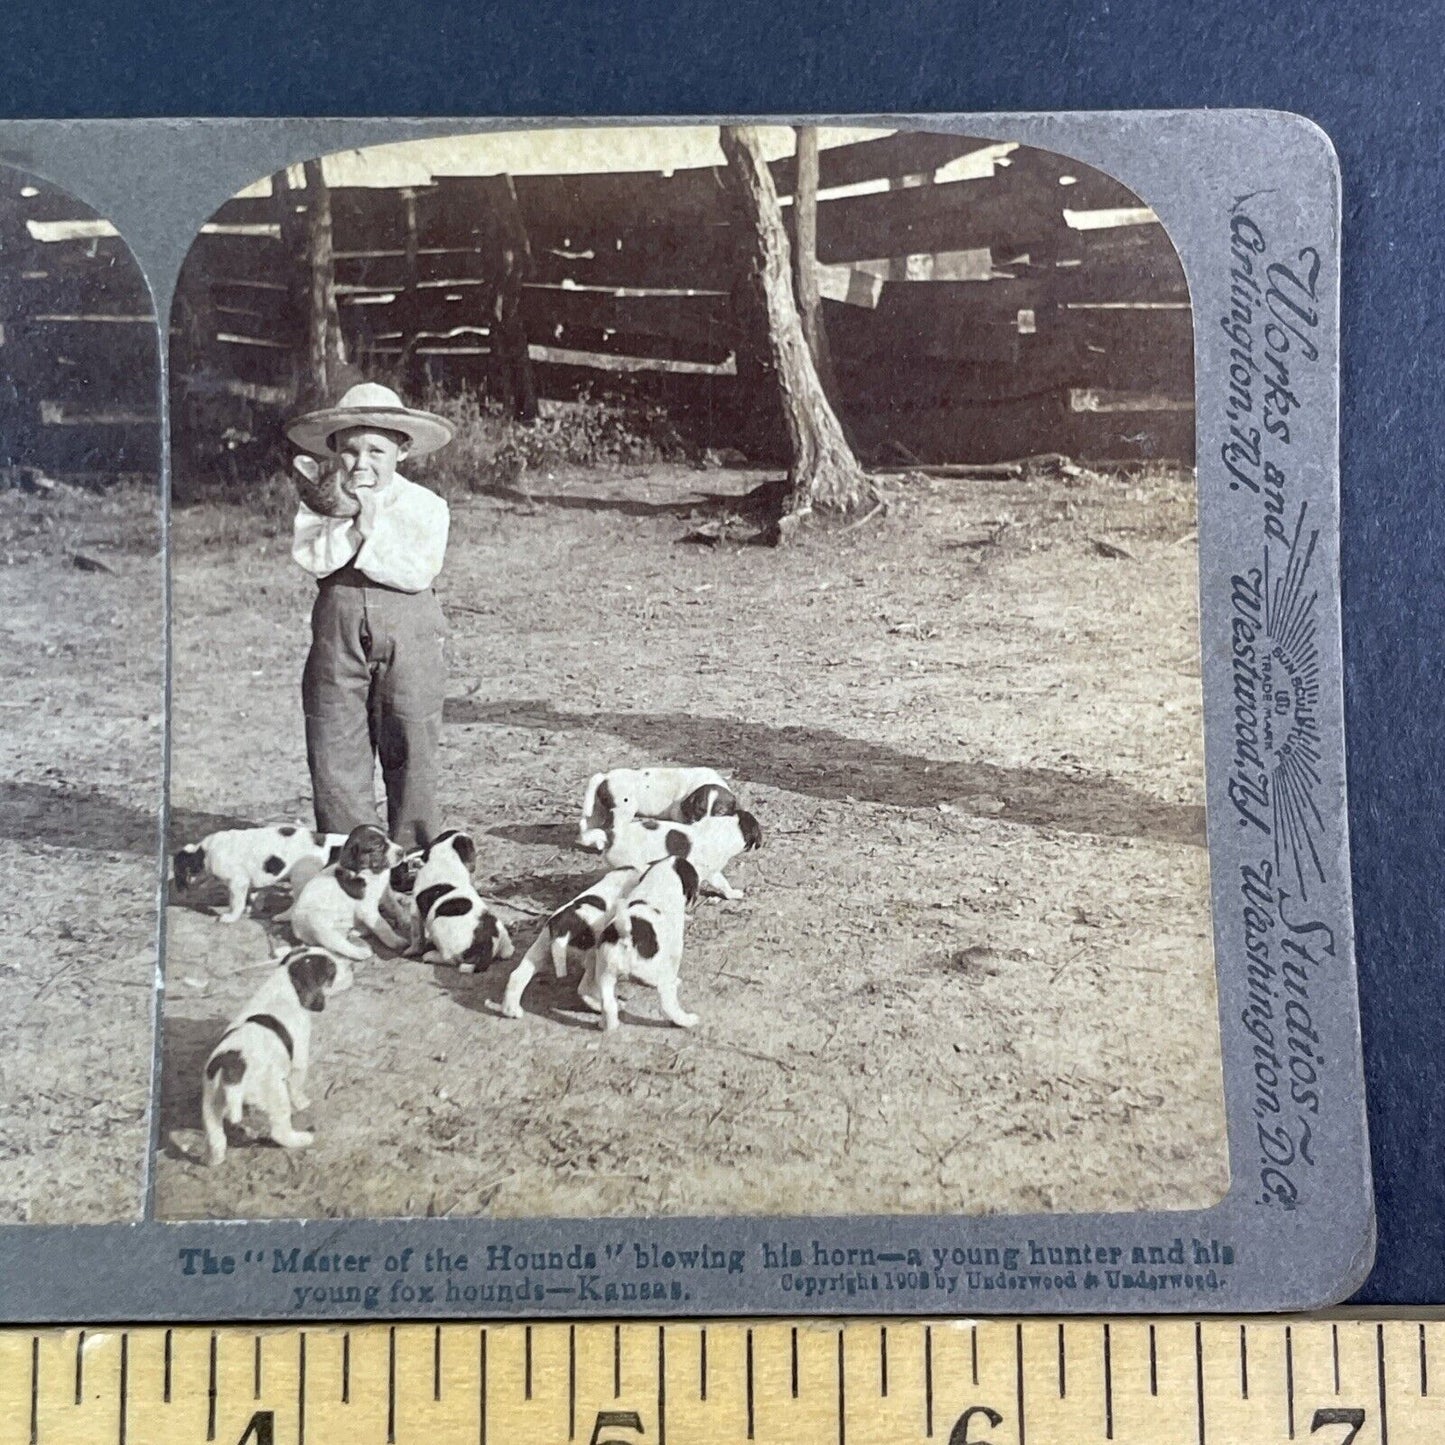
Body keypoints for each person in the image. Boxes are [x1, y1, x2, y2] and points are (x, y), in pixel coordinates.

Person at [285, 381, 455, 850]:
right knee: (334, 738)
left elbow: (415, 571)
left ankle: (416, 852)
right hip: (337, 630)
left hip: (410, 629)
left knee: (411, 736)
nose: (362, 464)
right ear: (334, 451)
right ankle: (352, 852)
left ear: (401, 450)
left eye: (376, 450)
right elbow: (315, 560)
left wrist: (367, 525)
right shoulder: (321, 504)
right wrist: (349, 517)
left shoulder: (425, 506)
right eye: (350, 451)